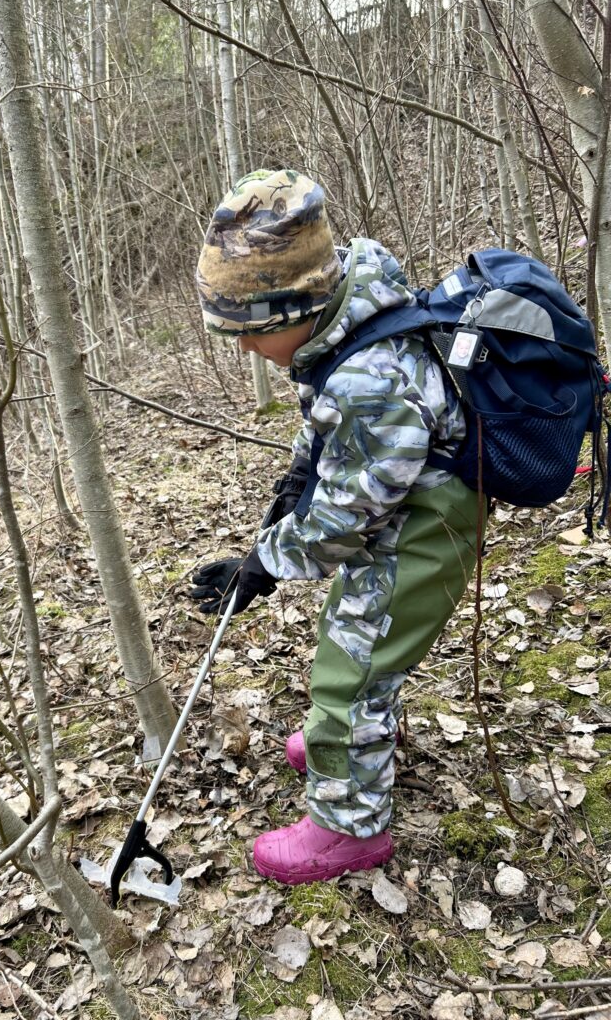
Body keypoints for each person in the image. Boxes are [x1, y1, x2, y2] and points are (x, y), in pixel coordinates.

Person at [190, 169, 482, 885]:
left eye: (253, 332)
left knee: (352, 668)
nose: (245, 348)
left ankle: (349, 828)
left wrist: (262, 564)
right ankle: (361, 743)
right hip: (406, 511)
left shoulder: (370, 381)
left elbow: (346, 517)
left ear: (297, 307)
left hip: (425, 530)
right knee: (362, 645)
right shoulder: (349, 314)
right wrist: (298, 477)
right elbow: (328, 422)